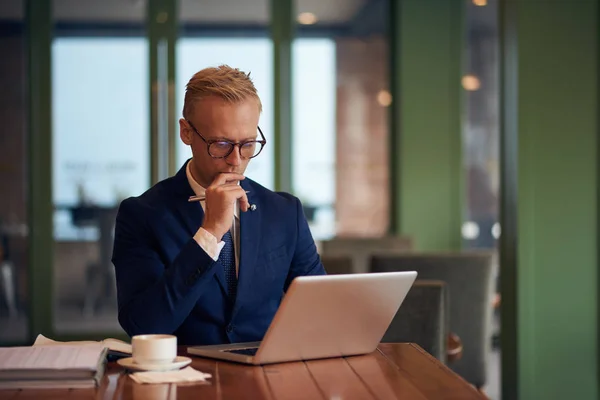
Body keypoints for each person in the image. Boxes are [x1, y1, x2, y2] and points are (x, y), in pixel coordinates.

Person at [112, 65, 326, 345]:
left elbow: (319, 310)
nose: (236, 160)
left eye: (248, 144)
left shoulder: (285, 213)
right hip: (183, 380)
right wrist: (209, 233)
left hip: (267, 379)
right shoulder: (142, 215)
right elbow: (144, 326)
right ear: (186, 132)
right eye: (221, 144)